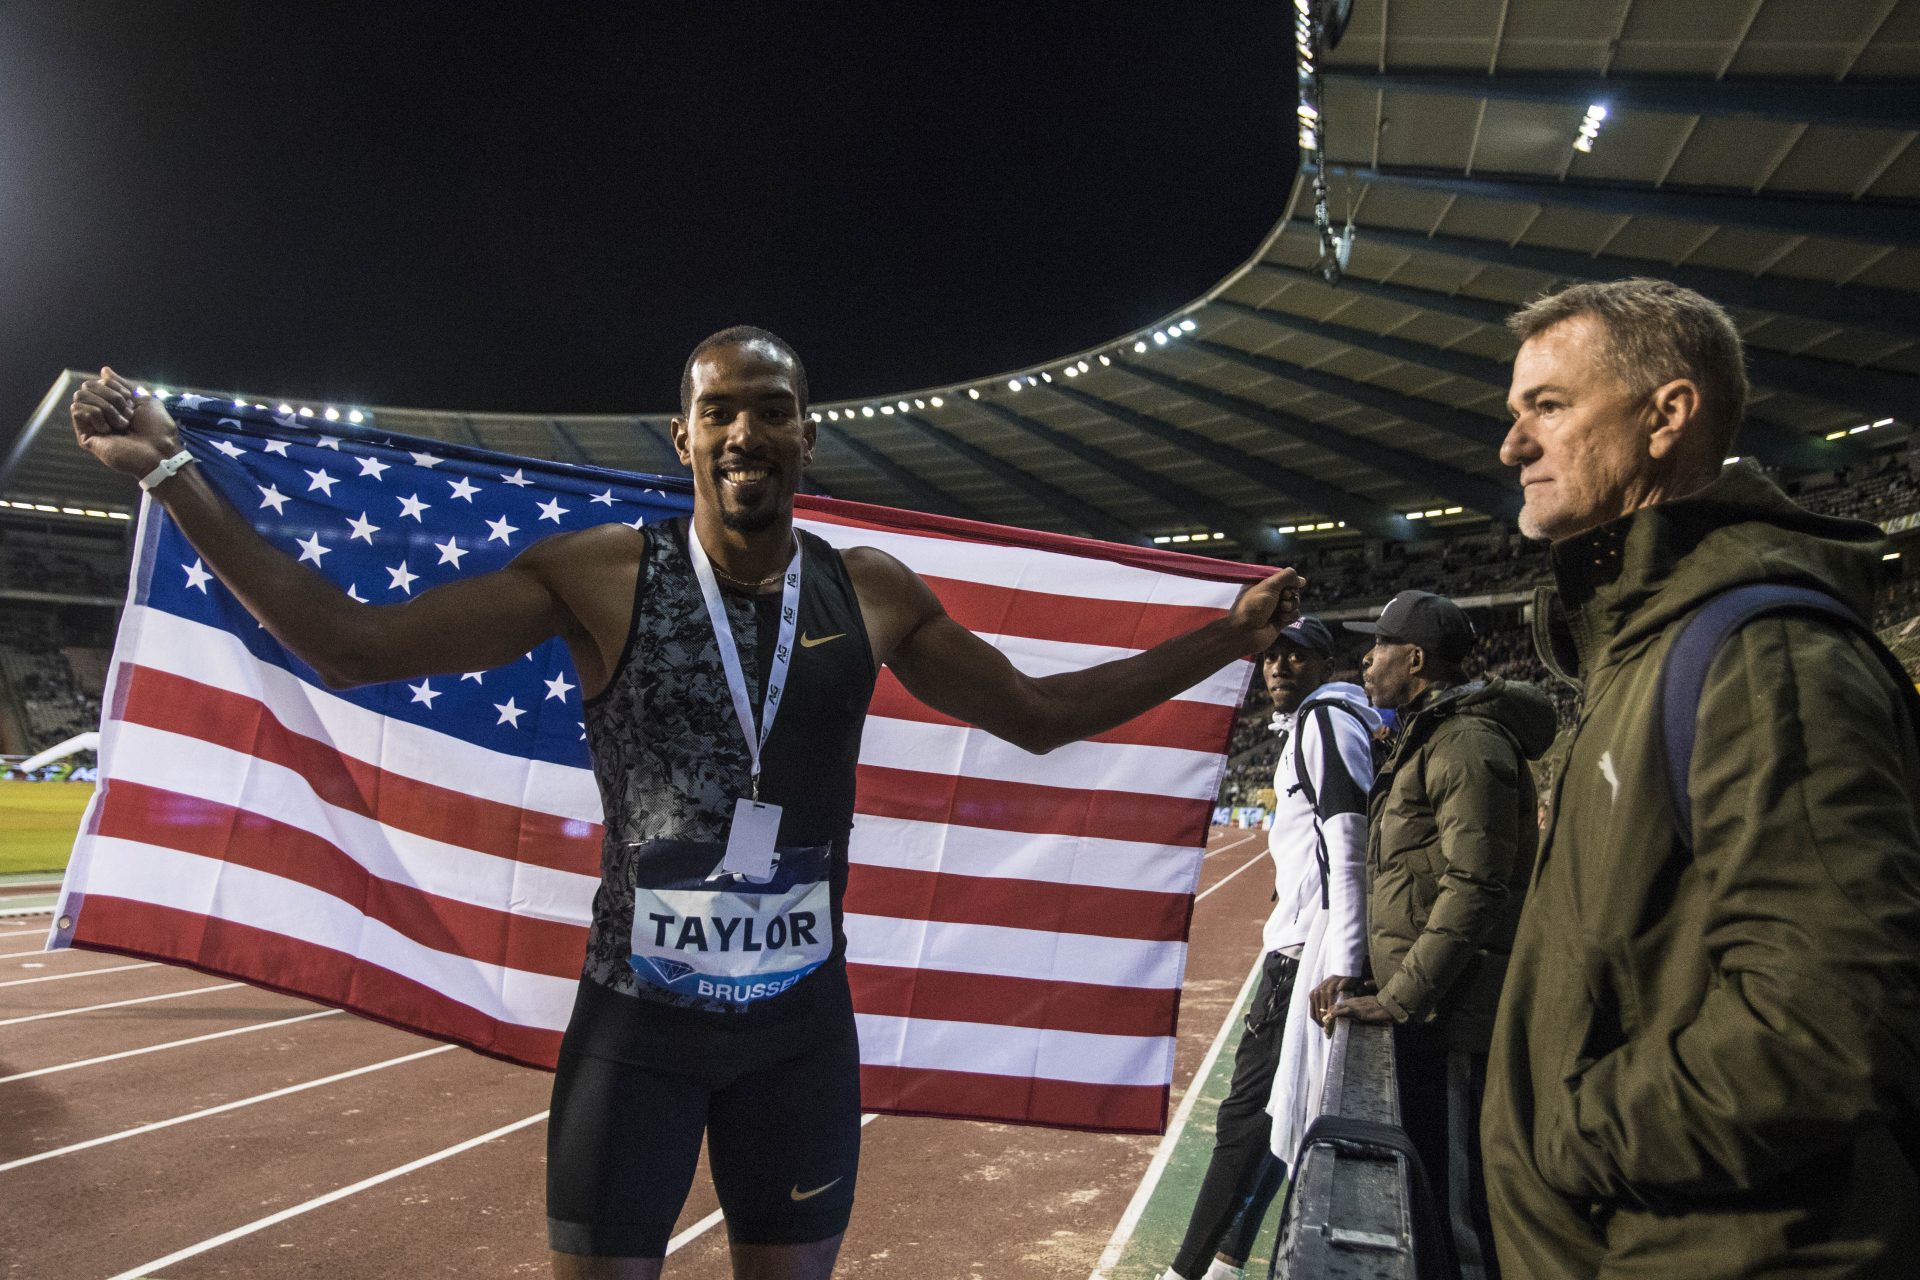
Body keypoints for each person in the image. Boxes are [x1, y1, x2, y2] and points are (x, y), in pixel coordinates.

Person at [68, 329, 1304, 1280]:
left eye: (772, 411)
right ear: (684, 436)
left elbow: (1039, 714)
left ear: (807, 439)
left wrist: (1223, 638)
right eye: (721, 410)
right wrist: (172, 472)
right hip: (637, 1032)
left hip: (799, 1033)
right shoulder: (601, 575)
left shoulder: (868, 591)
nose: (745, 432)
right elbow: (348, 643)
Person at [1482, 278, 1920, 1278]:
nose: (1513, 444)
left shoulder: (1765, 653)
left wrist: (1571, 1134)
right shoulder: (1645, 648)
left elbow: (1821, 1028)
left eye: (1547, 406)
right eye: (1515, 413)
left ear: (1667, 416)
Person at [1320, 590, 1555, 1280]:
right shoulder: (1430, 734)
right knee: (1435, 1198)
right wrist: (1373, 975)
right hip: (1432, 1002)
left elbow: (1475, 884)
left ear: (1414, 658)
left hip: (1456, 1013)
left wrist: (1400, 997)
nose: (1367, 659)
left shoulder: (1466, 743)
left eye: (1379, 646)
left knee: (1460, 1214)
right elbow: (1409, 878)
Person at [1161, 617, 1378, 1280]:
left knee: (1243, 1121)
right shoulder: (1326, 721)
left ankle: (1185, 1274)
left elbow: (1347, 836)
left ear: (1323, 663)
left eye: (1296, 656)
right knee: (1279, 1113)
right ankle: (1226, 1262)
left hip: (1304, 959)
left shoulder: (1324, 722)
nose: (1280, 667)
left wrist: (1340, 955)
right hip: (1307, 942)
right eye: (1272, 657)